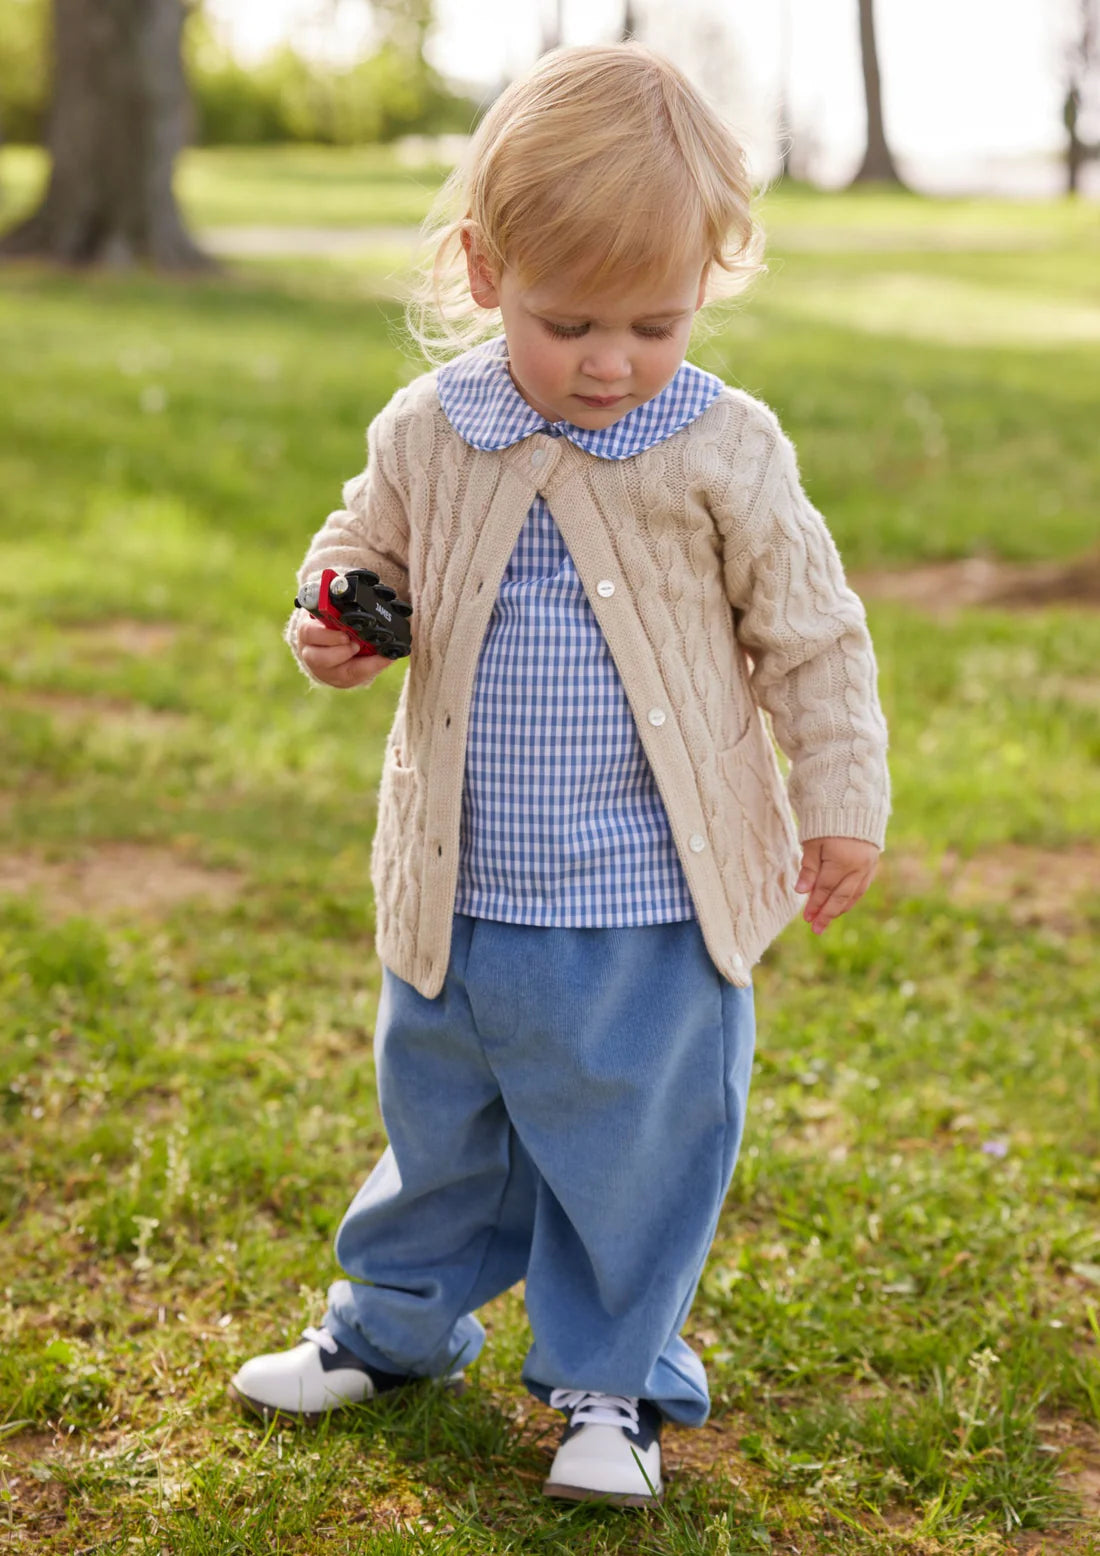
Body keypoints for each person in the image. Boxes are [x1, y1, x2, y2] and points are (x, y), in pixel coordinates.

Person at [229, 43, 890, 1506]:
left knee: (633, 1154)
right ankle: (392, 1327)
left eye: (655, 321)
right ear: (482, 268)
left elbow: (814, 634)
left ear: (707, 287)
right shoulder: (432, 429)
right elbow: (355, 555)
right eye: (567, 318)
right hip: (460, 891)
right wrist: (330, 621)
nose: (610, 359)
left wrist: (841, 800)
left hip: (646, 905)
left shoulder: (723, 448)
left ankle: (612, 1387)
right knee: (440, 1131)